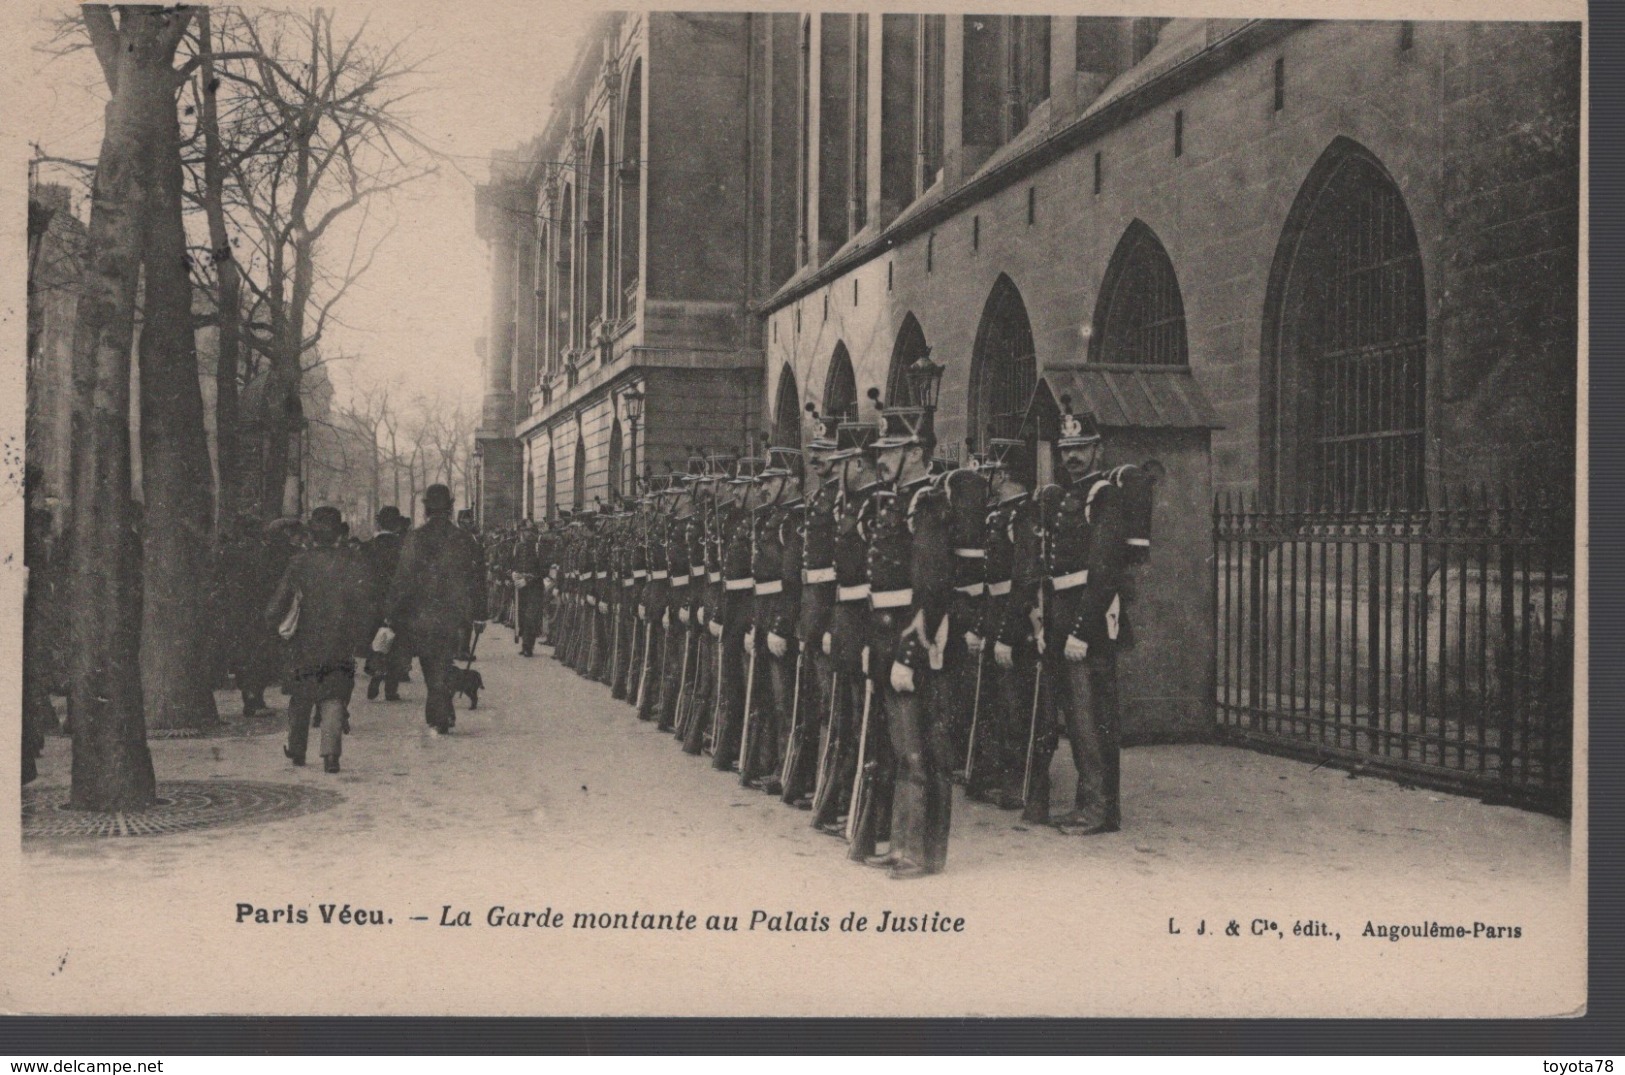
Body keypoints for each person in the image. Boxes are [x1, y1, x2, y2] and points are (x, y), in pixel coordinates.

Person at [1034, 404, 1157, 834]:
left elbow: (1104, 569)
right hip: (1065, 613)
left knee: (1091, 718)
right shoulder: (1071, 494)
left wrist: (1082, 630)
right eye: (1067, 448)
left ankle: (1100, 809)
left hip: (1089, 617)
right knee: (1077, 716)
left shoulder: (1102, 495)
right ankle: (1089, 804)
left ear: (1098, 449)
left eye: (1081, 448)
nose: (1072, 456)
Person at [265, 506, 376, 773]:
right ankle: (331, 753)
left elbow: (279, 602)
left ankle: (297, 748)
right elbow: (366, 602)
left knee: (302, 695)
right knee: (335, 692)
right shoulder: (352, 561)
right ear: (339, 532)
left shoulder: (299, 562)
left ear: (312, 534)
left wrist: (271, 622)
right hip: (340, 638)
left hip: (304, 639)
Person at [384, 485, 487, 735]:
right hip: (454, 614)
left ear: (426, 507)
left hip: (422, 614)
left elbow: (403, 579)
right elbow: (477, 578)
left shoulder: (416, 538)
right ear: (450, 507)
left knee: (431, 662)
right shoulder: (463, 539)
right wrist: (480, 614)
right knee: (443, 660)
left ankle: (439, 711)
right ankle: (442, 709)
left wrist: (391, 612)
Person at [364, 506, 409, 700]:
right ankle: (391, 688)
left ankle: (375, 673)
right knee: (396, 643)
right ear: (397, 524)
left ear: (379, 523)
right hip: (397, 603)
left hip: (373, 602)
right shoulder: (404, 547)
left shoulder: (367, 547)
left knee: (376, 640)